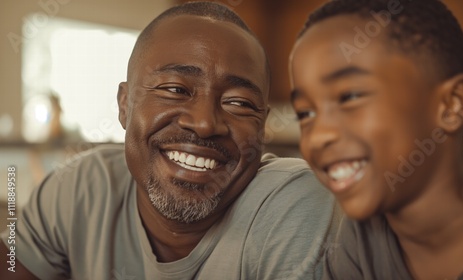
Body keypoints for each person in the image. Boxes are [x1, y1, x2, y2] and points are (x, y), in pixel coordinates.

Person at [0, 2, 339, 279]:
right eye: (175, 89)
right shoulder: (80, 187)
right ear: (125, 105)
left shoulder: (294, 205)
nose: (205, 123)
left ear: (262, 128)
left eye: (239, 103)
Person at [289, 0, 463, 279]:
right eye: (305, 113)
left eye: (350, 96)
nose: (318, 136)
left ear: (452, 104)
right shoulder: (358, 241)